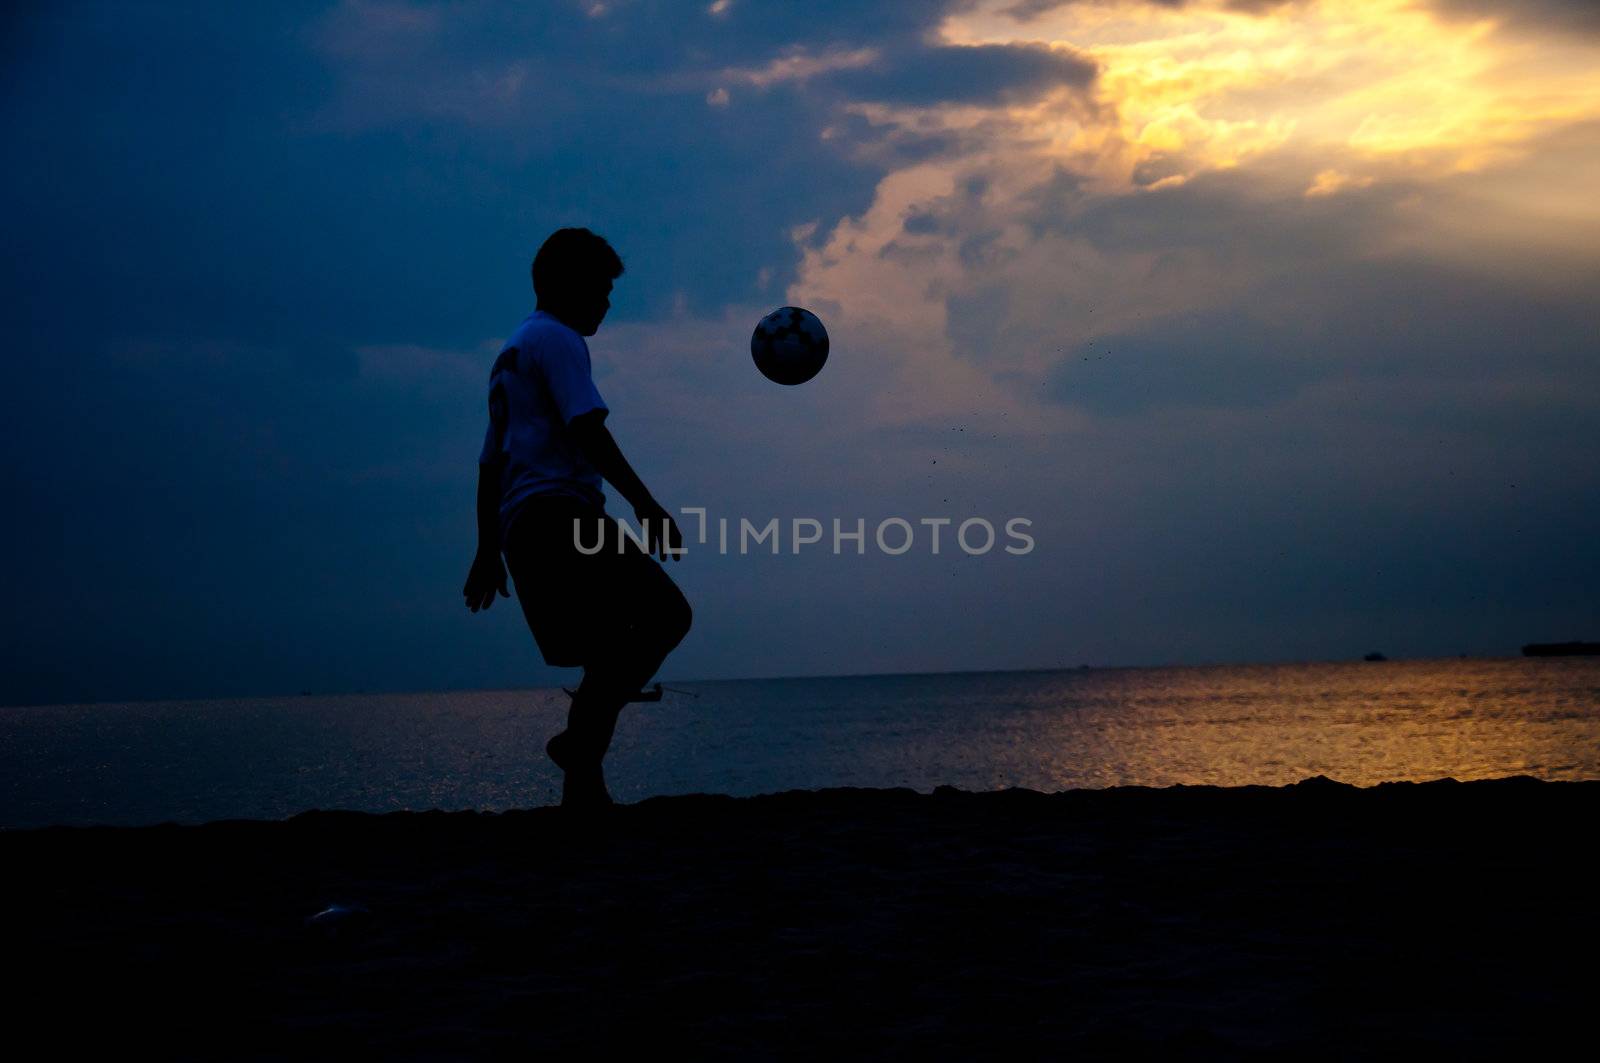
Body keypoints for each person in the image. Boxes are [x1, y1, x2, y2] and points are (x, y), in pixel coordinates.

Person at [462, 227, 691, 808]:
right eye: (600, 288)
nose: (608, 302)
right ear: (567, 285)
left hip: (524, 527)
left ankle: (582, 788)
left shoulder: (511, 352)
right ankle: (580, 745)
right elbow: (586, 427)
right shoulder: (558, 340)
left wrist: (490, 549)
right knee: (667, 614)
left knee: (609, 644)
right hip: (561, 516)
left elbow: (491, 464)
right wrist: (647, 505)